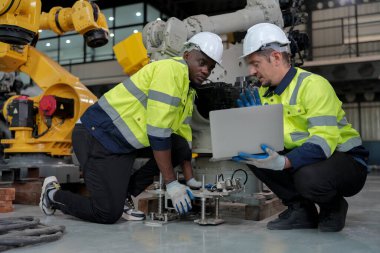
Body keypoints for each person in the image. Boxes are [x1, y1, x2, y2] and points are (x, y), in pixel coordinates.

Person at [39, 32, 223, 224]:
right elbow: (158, 132)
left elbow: (182, 136)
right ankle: (52, 195)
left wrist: (190, 179)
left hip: (122, 144)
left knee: (179, 145)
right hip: (97, 136)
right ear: (186, 56)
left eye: (210, 68)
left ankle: (124, 195)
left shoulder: (188, 89)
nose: (205, 71)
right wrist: (171, 183)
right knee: (107, 213)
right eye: (201, 62)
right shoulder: (170, 71)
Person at [234, 23, 369, 232]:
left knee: (307, 177)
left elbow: (323, 142)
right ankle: (301, 210)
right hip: (303, 157)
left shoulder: (313, 85)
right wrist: (248, 135)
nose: (252, 71)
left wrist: (284, 162)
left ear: (276, 58)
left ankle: (333, 206)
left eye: (255, 63)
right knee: (252, 153)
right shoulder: (262, 93)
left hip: (346, 159)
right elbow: (268, 141)